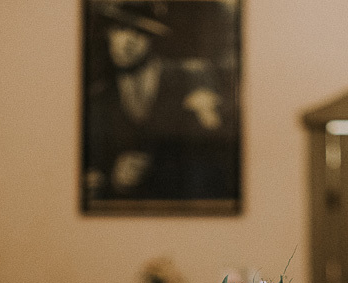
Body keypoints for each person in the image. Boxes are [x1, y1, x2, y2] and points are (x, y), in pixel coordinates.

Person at [83, 1, 238, 205]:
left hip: (186, 210)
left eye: (139, 32)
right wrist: (113, 180)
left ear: (153, 38)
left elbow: (220, 154)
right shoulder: (99, 97)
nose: (127, 41)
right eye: (120, 29)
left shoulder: (190, 78)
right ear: (109, 34)